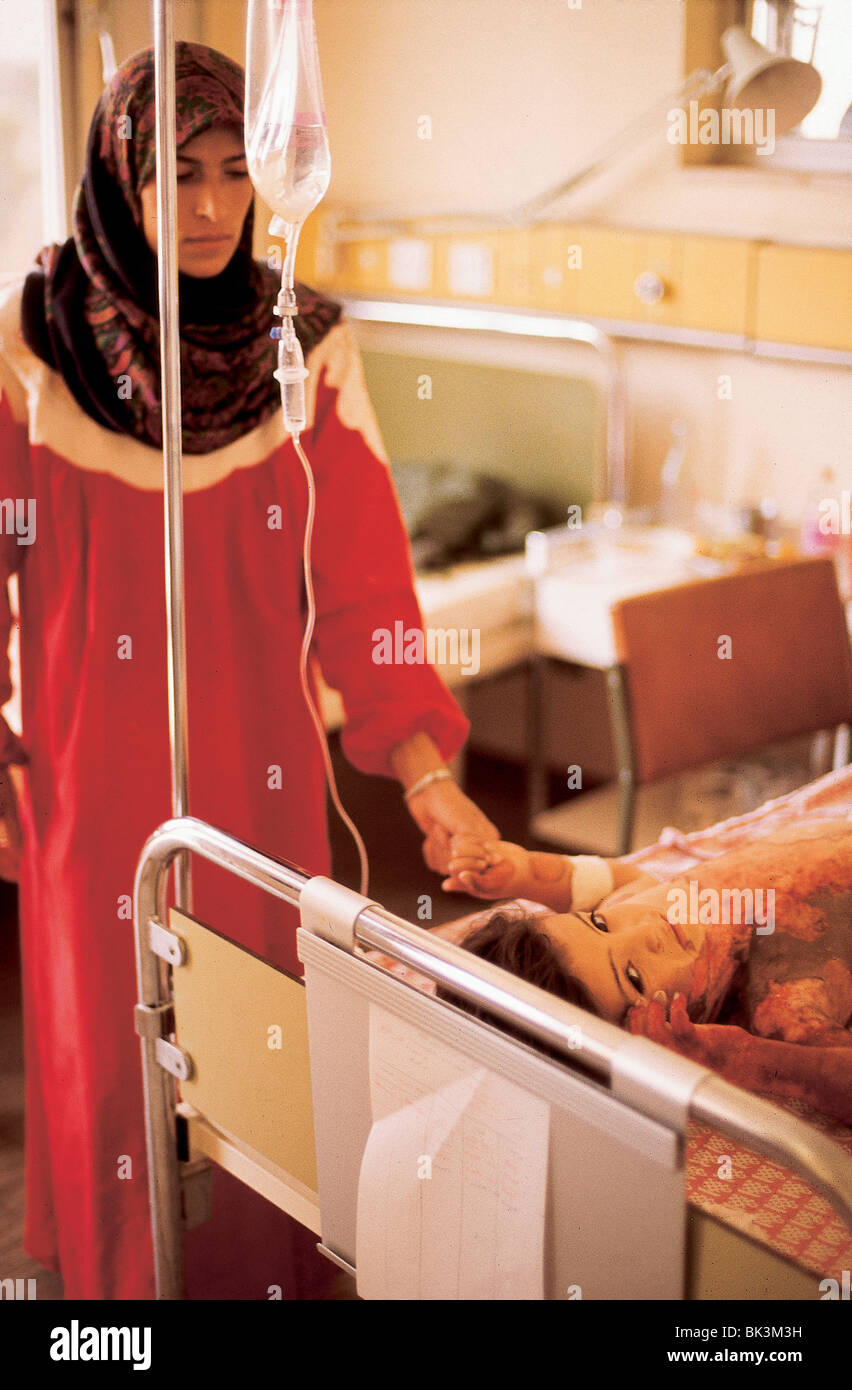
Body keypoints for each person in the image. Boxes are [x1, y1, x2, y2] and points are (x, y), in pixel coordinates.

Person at [0, 42, 499, 1300]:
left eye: (233, 170)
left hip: (264, 786)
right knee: (120, 1078)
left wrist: (428, 776)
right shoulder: (32, 349)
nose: (215, 206)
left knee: (269, 1064)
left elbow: (370, 590)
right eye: (177, 176)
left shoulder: (305, 353)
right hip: (87, 785)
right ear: (124, 182)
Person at [441, 821, 852, 1125]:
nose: (646, 929)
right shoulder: (785, 1004)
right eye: (634, 977)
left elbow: (619, 880)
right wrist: (753, 1061)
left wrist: (531, 875)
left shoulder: (635, 907)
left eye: (598, 924)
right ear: (658, 1043)